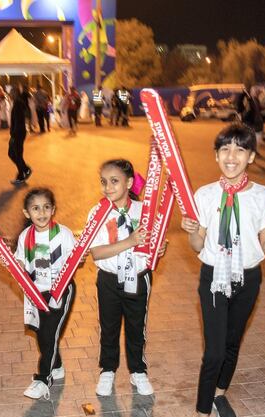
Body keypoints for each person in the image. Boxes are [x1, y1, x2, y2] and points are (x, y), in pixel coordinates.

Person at [181, 123, 265, 417]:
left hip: (248, 278)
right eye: (225, 150)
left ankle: (219, 394)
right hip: (213, 275)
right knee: (213, 351)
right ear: (216, 156)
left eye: (240, 150)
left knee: (232, 344)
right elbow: (197, 243)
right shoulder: (203, 195)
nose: (232, 157)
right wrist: (190, 229)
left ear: (251, 156)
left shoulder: (263, 196)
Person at [89, 159, 161, 398]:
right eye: (103, 182)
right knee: (108, 326)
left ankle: (138, 370)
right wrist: (128, 242)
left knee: (136, 326)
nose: (107, 187)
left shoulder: (145, 211)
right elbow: (96, 252)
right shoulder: (98, 212)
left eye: (114, 181)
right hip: (109, 279)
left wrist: (159, 248)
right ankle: (107, 370)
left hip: (139, 278)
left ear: (129, 183)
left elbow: (154, 242)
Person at [15, 188, 76, 400]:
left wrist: (80, 258)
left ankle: (43, 379)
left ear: (53, 209)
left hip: (60, 290)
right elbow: (21, 260)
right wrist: (18, 264)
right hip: (36, 291)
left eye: (46, 207)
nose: (41, 213)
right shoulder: (25, 236)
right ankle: (56, 365)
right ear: (26, 213)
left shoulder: (63, 234)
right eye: (35, 208)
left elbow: (74, 258)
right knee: (42, 334)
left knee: (50, 333)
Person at [9, 86, 32, 185]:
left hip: (18, 133)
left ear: (15, 93)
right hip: (18, 132)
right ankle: (24, 171)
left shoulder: (18, 104)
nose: (9, 94)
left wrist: (14, 134)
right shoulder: (17, 103)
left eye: (11, 92)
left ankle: (23, 173)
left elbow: (19, 121)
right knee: (14, 154)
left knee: (16, 154)